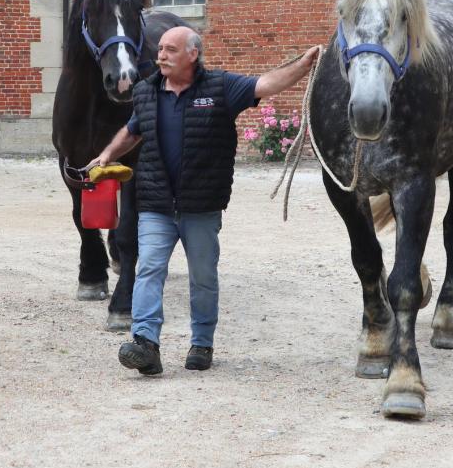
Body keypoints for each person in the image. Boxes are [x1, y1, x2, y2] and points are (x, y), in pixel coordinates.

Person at [88, 26, 319, 376]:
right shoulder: (146, 92)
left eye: (170, 49)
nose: (160, 55)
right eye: (160, 49)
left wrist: (303, 66)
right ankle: (145, 344)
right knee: (149, 269)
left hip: (201, 206)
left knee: (203, 277)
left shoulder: (220, 87)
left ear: (192, 54)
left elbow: (265, 85)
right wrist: (106, 154)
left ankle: (202, 343)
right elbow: (133, 130)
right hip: (156, 204)